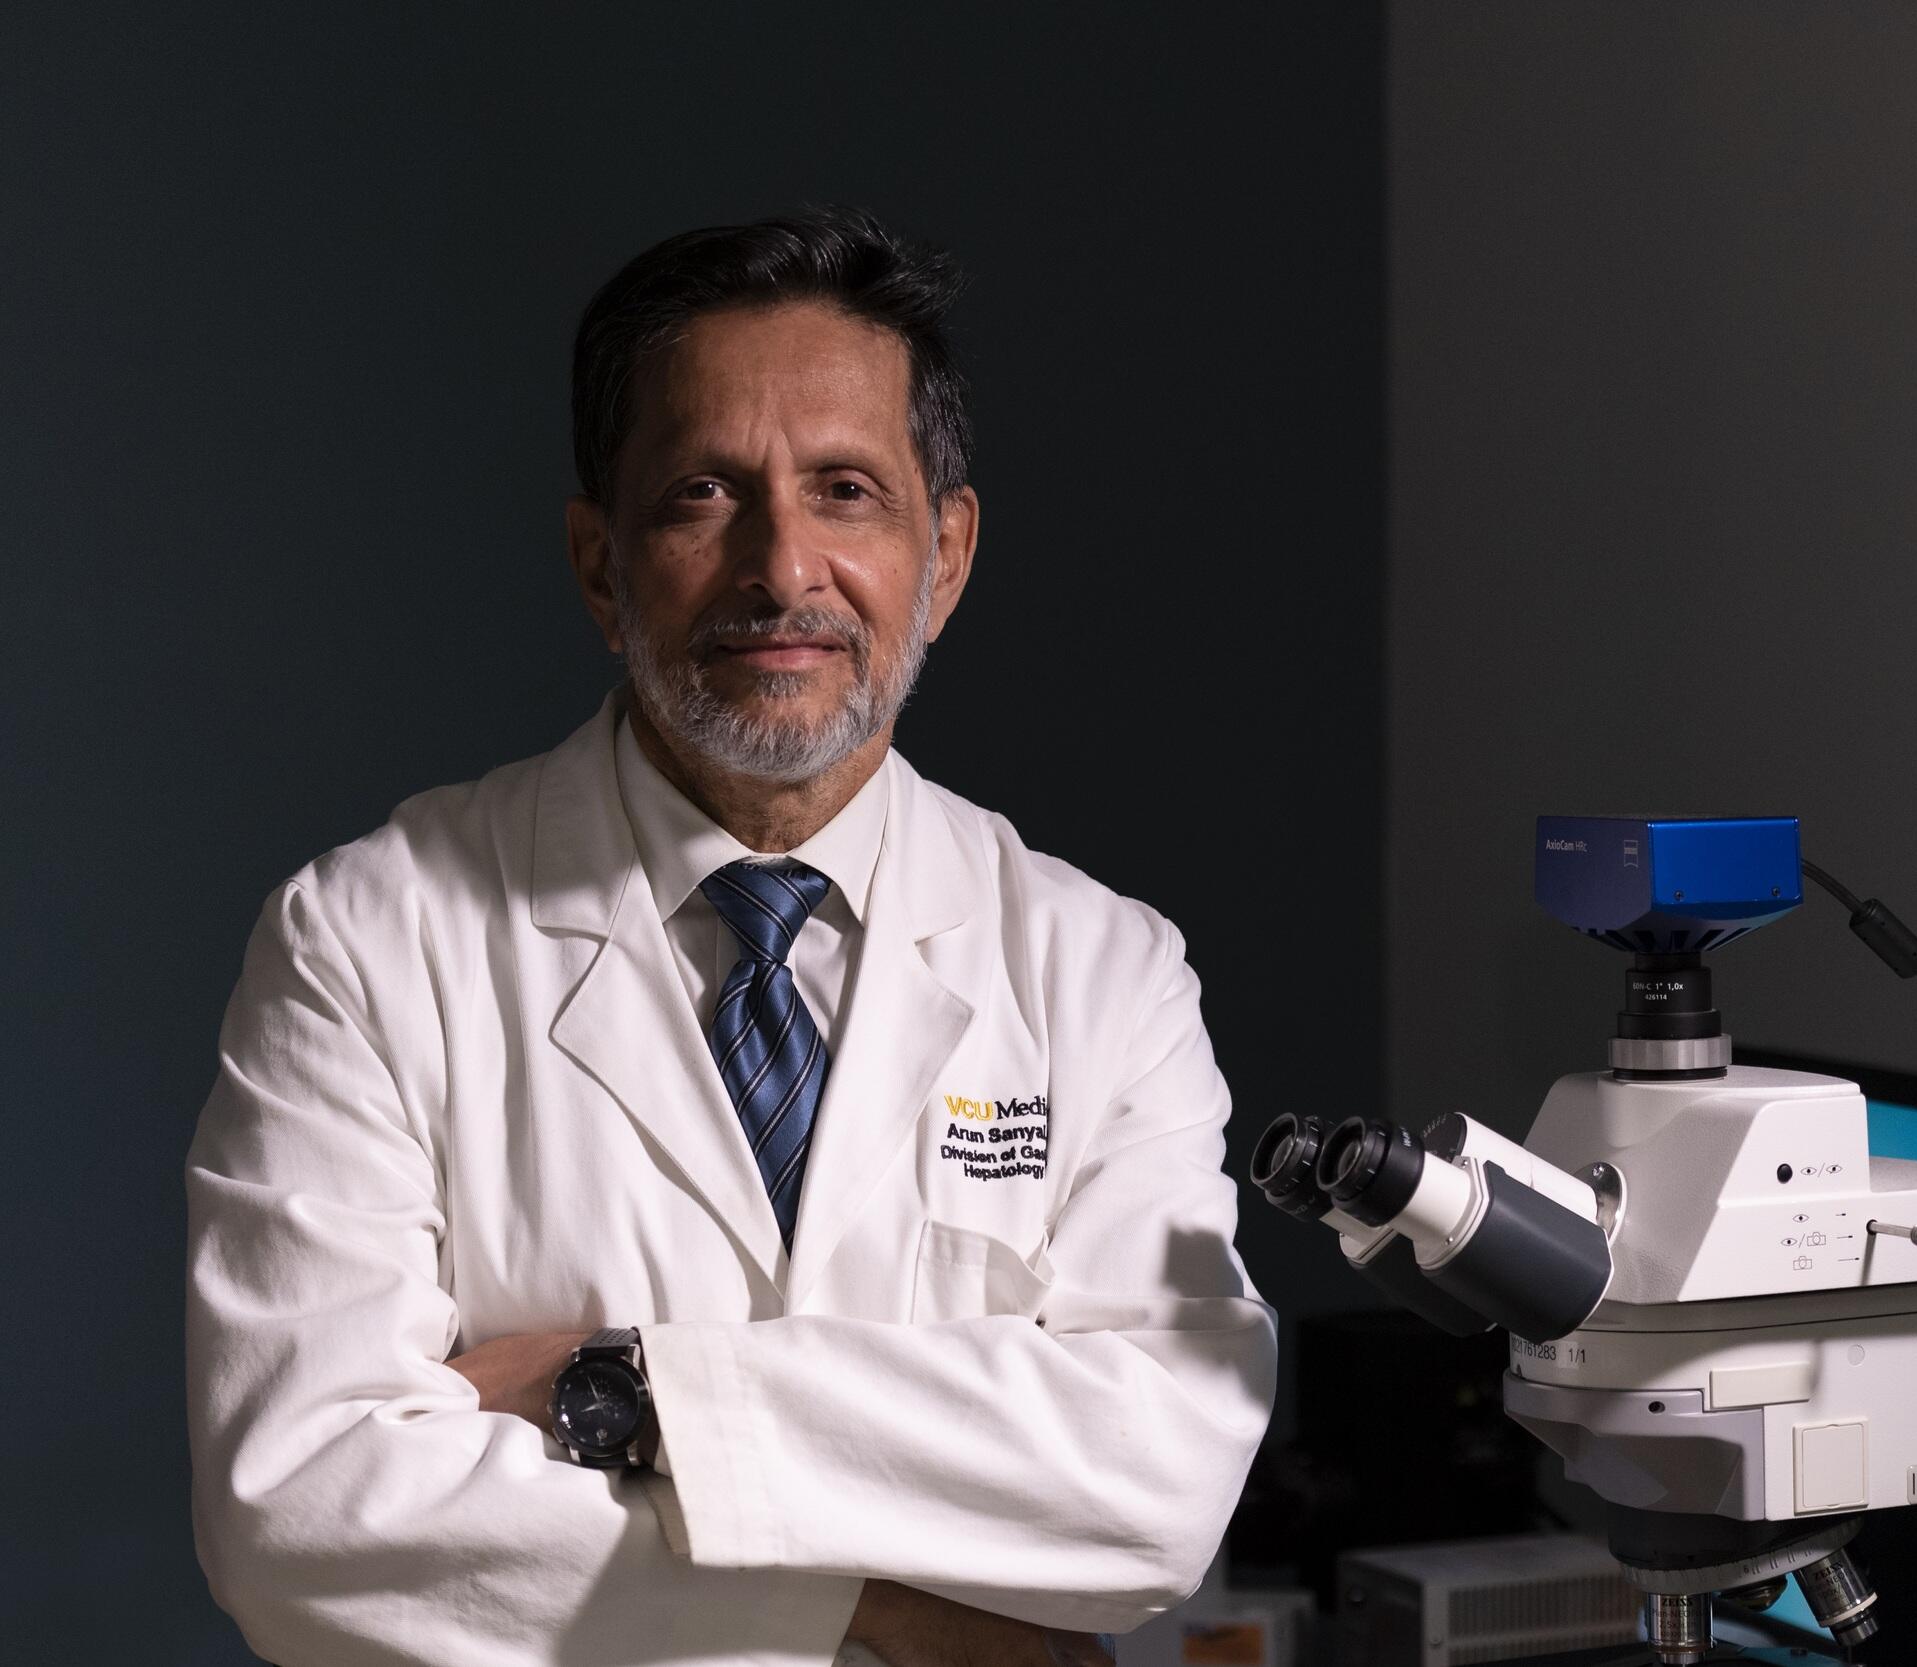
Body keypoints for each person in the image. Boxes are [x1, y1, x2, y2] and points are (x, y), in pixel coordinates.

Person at [184, 208, 1276, 1667]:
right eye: (705, 493)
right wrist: (870, 1608)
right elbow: (302, 1512)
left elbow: (1157, 1484)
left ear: (943, 557)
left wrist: (623, 1393)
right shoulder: (366, 942)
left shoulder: (1103, 973)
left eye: (846, 491)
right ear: (599, 562)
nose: (782, 567)